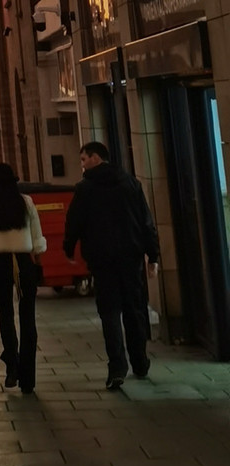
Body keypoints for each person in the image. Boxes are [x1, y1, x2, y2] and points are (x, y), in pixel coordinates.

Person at [63, 140, 159, 389]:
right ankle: (140, 361)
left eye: (84, 159)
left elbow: (74, 221)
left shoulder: (85, 189)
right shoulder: (130, 183)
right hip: (131, 257)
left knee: (109, 312)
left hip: (102, 259)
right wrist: (153, 255)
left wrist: (69, 247)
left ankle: (117, 367)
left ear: (96, 158)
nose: (82, 165)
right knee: (134, 310)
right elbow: (146, 221)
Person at [0, 163, 46, 394]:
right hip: (24, 262)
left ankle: (12, 363)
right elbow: (36, 237)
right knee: (28, 317)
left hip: (2, 264)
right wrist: (38, 266)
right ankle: (28, 378)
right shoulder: (26, 202)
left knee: (5, 314)